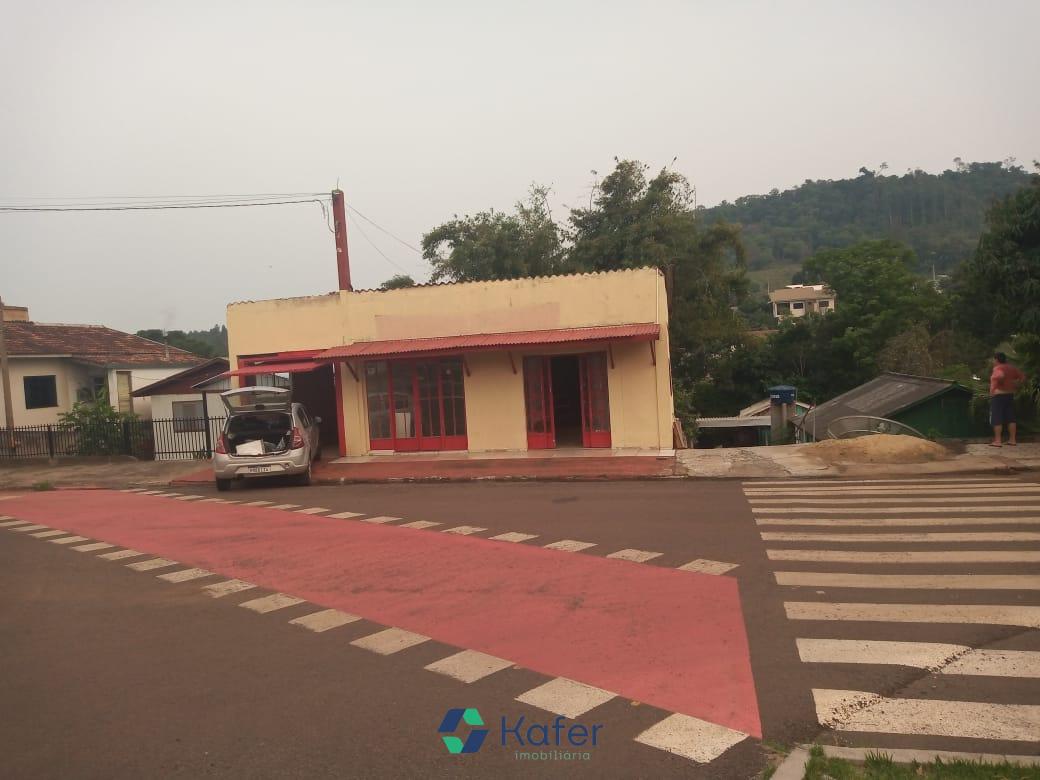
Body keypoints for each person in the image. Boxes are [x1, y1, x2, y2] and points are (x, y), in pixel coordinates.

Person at [989, 352, 1026, 447]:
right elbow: (1022, 377)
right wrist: (1015, 385)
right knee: (1010, 417)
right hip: (1009, 395)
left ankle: (997, 441)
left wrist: (999, 385)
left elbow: (1000, 375)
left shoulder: (998, 368)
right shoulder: (1012, 368)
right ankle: (1012, 440)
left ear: (996, 359)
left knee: (997, 418)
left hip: (998, 395)